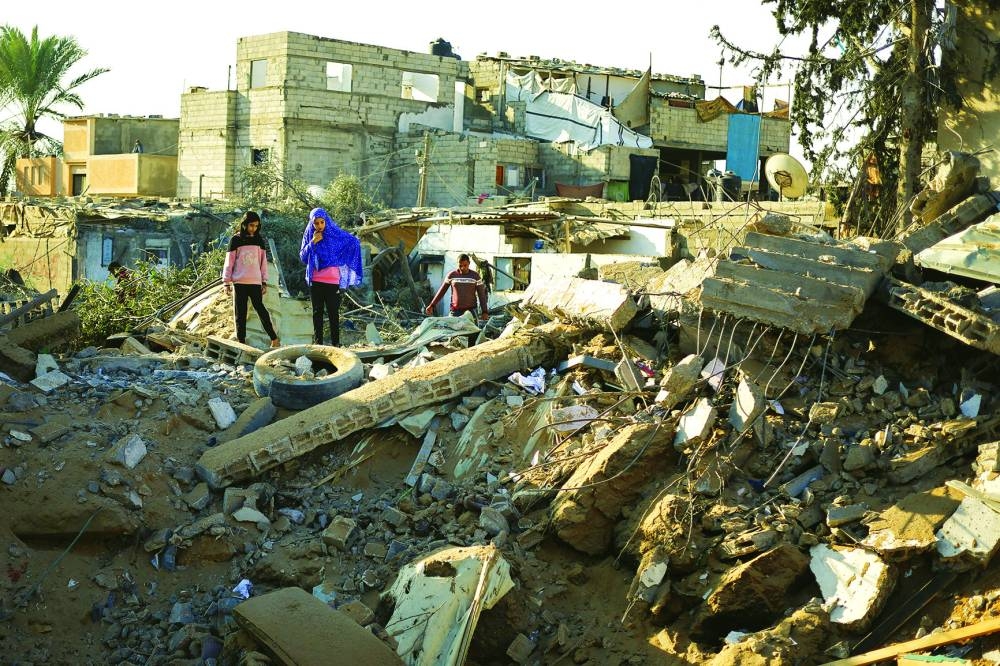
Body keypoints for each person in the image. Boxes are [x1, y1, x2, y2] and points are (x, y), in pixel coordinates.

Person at [299, 207, 363, 346]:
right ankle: (318, 345)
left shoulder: (334, 235)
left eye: (322, 222)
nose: (319, 226)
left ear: (326, 221)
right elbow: (303, 257)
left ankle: (336, 345)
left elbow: (351, 242)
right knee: (317, 313)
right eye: (316, 223)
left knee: (333, 313)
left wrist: (356, 241)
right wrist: (313, 242)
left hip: (333, 281)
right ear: (312, 223)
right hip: (316, 280)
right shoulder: (309, 235)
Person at [222, 211, 281, 348]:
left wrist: (264, 281)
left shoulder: (259, 240)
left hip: (255, 282)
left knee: (261, 310)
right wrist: (226, 282)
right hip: (239, 283)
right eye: (251, 225)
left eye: (256, 226)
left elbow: (263, 263)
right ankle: (241, 342)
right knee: (240, 313)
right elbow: (229, 262)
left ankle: (274, 339)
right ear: (245, 224)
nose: (253, 228)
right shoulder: (235, 240)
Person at [424, 253, 489, 321]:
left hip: (471, 312)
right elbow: (442, 291)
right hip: (455, 311)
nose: (462, 268)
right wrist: (432, 305)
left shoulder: (475, 276)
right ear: (457, 264)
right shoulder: (451, 275)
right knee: (452, 327)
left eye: (465, 265)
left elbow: (481, 295)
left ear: (469, 263)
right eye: (460, 266)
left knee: (471, 328)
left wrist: (484, 311)